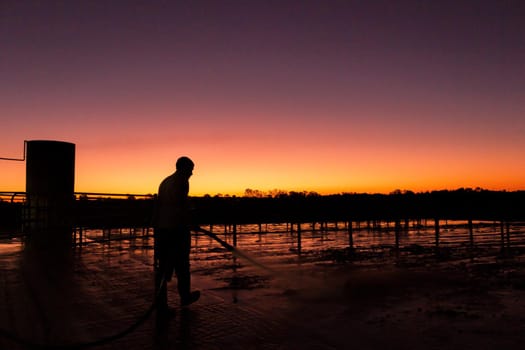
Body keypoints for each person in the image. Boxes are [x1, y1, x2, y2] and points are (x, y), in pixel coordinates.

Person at [154, 156, 200, 316]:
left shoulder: (165, 181)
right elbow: (181, 206)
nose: (192, 173)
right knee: (182, 265)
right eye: (191, 169)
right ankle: (184, 297)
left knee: (163, 268)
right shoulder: (182, 181)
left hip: (163, 229)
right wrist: (191, 220)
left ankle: (161, 304)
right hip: (177, 230)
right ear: (183, 168)